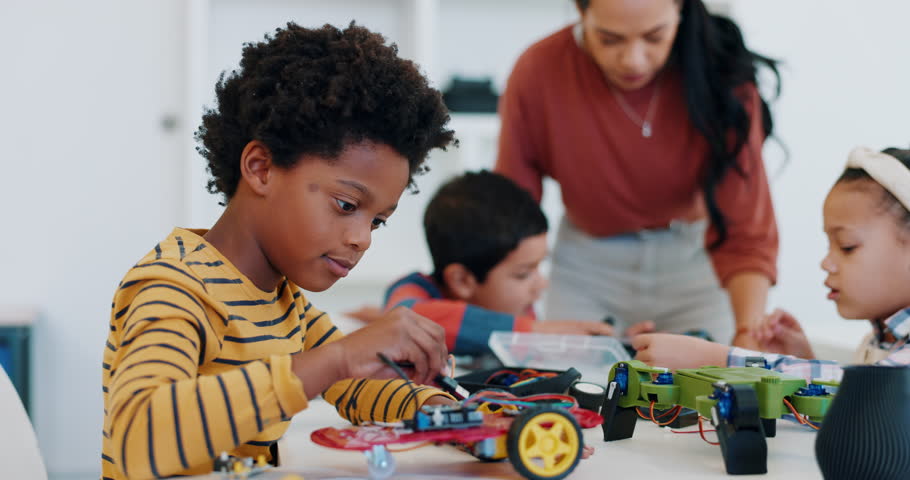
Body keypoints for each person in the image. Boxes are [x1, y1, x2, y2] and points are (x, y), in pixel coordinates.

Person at [100, 23, 458, 479]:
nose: (362, 238)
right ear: (262, 168)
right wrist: (338, 357)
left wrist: (446, 408)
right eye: (346, 205)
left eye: (376, 222)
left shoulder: (280, 300)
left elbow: (358, 387)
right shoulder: (176, 288)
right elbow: (138, 433)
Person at [495, 0, 781, 348]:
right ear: (581, 13)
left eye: (655, 36)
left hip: (696, 264)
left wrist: (747, 336)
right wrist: (511, 328)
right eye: (609, 39)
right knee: (570, 388)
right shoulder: (538, 70)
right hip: (587, 267)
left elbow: (746, 230)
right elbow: (509, 219)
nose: (633, 60)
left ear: (681, 13)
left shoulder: (725, 75)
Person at [632, 146, 910, 380]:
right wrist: (803, 359)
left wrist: (717, 359)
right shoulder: (880, 342)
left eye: (847, 246)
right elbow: (848, 404)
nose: (827, 263)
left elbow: (871, 396)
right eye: (829, 246)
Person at [382, 171, 627, 357]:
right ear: (461, 280)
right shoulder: (414, 288)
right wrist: (538, 333)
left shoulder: (518, 311)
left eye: (538, 267)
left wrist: (613, 349)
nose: (541, 284)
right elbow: (405, 319)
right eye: (523, 274)